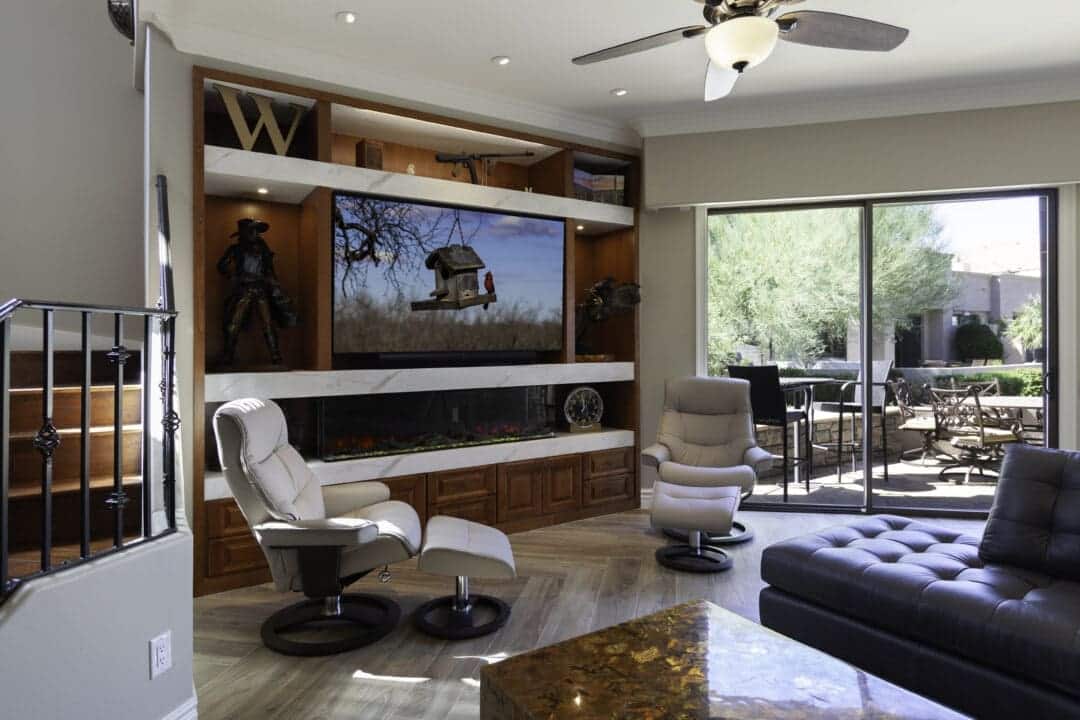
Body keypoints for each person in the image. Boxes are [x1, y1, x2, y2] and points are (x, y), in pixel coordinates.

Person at [217, 218, 297, 365]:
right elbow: (221, 266)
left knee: (268, 324)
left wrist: (274, 286)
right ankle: (228, 355)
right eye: (252, 231)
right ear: (244, 233)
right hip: (243, 289)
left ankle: (276, 356)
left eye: (256, 231)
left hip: (261, 289)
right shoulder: (235, 249)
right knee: (233, 323)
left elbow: (270, 271)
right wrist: (233, 276)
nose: (256, 234)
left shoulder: (263, 250)